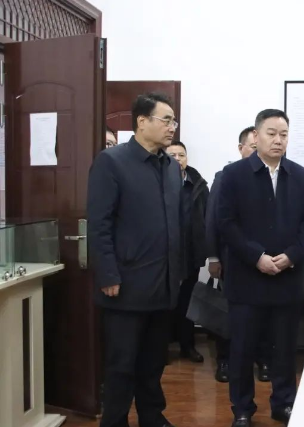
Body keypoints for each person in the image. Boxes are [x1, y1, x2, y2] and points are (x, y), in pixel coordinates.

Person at [217, 109, 304, 427]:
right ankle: (242, 409)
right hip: (247, 279)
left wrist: (291, 256)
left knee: (285, 349)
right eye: (271, 133)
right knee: (242, 349)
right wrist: (256, 256)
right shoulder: (233, 175)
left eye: (283, 134)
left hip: (288, 278)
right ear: (256, 135)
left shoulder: (300, 176)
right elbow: (226, 223)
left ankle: (283, 403)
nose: (278, 140)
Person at [87, 92, 181, 427]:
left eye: (173, 121)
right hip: (125, 284)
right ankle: (114, 421)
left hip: (163, 283)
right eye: (166, 120)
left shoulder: (170, 166)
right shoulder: (111, 162)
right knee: (122, 364)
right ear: (142, 121)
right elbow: (99, 224)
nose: (172, 127)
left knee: (153, 362)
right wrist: (108, 274)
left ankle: (152, 417)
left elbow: (175, 223)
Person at [205, 126, 272, 383]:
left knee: (264, 312)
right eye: (252, 147)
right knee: (228, 312)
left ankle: (263, 359)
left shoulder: (272, 176)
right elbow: (213, 219)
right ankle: (225, 360)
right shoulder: (225, 176)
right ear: (241, 148)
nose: (257, 152)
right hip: (232, 258)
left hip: (265, 259)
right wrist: (213, 256)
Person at [166, 140, 208, 363]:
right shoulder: (157, 181)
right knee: (164, 304)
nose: (177, 159)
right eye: (171, 156)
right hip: (164, 256)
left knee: (187, 303)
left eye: (181, 155)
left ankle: (187, 345)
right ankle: (162, 348)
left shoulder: (198, 183)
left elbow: (208, 217)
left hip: (190, 254)